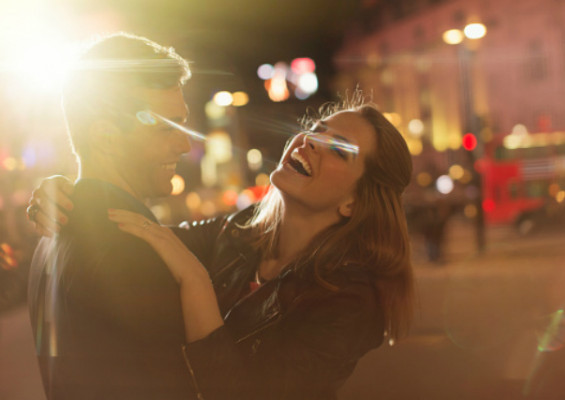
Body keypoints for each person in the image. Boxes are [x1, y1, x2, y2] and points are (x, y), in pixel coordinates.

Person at [30, 92, 415, 398]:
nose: (311, 142)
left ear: (354, 203)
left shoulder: (351, 300)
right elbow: (140, 234)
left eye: (339, 150)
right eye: (316, 129)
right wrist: (71, 194)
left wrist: (196, 281)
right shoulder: (234, 231)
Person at [26, 32, 197, 399]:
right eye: (166, 127)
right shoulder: (134, 250)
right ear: (105, 137)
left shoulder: (50, 239)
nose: (185, 145)